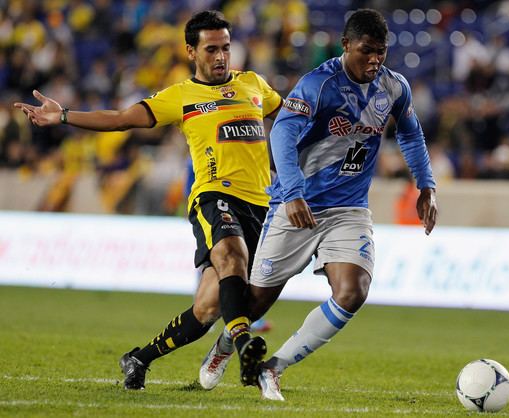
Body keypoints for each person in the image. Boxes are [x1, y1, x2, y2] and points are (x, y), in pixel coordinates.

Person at [14, 10, 283, 390]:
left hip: (263, 205)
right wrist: (64, 117)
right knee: (230, 257)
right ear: (191, 51)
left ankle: (139, 358)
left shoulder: (254, 84)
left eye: (225, 47)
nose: (221, 56)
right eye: (211, 49)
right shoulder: (180, 96)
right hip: (215, 195)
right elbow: (122, 119)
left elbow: (290, 118)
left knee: (208, 306)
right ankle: (243, 347)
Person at [198, 8, 438, 401]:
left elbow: (411, 134)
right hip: (298, 206)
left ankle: (273, 369)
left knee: (353, 290)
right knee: (255, 302)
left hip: (348, 209)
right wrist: (291, 192)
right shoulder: (318, 85)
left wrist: (426, 184)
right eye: (366, 51)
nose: (375, 60)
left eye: (381, 52)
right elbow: (282, 134)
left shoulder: (394, 87)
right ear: (346, 46)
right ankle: (225, 346)